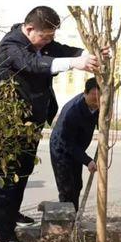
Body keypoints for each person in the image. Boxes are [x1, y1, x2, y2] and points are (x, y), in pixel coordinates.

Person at [0, 6, 107, 242]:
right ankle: (4, 234)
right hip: (8, 126)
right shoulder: (12, 45)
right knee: (6, 178)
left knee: (22, 172)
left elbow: (65, 51)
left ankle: (11, 213)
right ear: (30, 29)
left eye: (51, 37)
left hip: (31, 123)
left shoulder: (42, 41)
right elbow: (32, 64)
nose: (49, 42)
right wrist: (74, 64)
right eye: (45, 36)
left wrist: (91, 54)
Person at [49, 77, 100, 211]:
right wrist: (88, 161)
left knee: (77, 184)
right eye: (93, 96)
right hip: (61, 148)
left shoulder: (99, 104)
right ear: (85, 93)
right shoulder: (73, 112)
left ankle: (74, 218)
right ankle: (67, 223)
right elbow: (67, 142)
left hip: (77, 148)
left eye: (99, 97)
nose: (96, 101)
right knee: (67, 188)